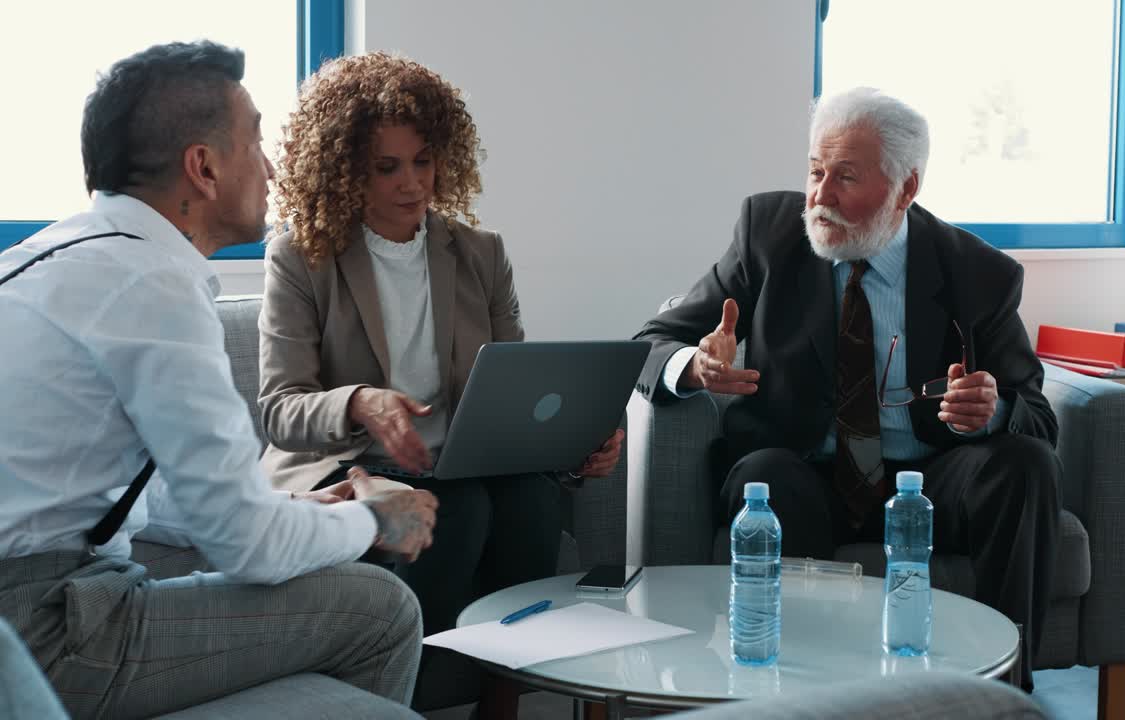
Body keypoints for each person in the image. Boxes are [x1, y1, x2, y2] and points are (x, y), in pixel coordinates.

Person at [0, 42, 439, 718]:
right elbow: (248, 546)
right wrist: (372, 517)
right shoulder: (154, 282)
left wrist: (289, 510)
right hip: (42, 632)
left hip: (33, 603)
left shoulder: (47, 258)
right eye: (255, 141)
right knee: (380, 608)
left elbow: (115, 493)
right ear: (203, 168)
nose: (271, 168)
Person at [633, 87, 1061, 690]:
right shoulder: (769, 234)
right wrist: (694, 367)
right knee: (768, 478)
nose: (821, 195)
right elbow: (652, 342)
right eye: (815, 171)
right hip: (802, 475)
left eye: (846, 177)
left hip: (927, 483)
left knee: (1025, 466)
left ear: (905, 189)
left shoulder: (976, 272)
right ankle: (791, 695)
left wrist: (990, 409)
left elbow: (1038, 416)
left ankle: (1003, 692)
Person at [259, 52, 623, 642]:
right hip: (353, 465)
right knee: (460, 507)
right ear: (345, 169)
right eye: (387, 167)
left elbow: (516, 393)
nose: (412, 182)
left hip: (460, 464)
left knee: (533, 498)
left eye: (423, 160)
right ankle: (414, 676)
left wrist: (574, 447)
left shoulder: (482, 253)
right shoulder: (301, 258)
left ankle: (509, 683)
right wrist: (360, 402)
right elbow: (280, 409)